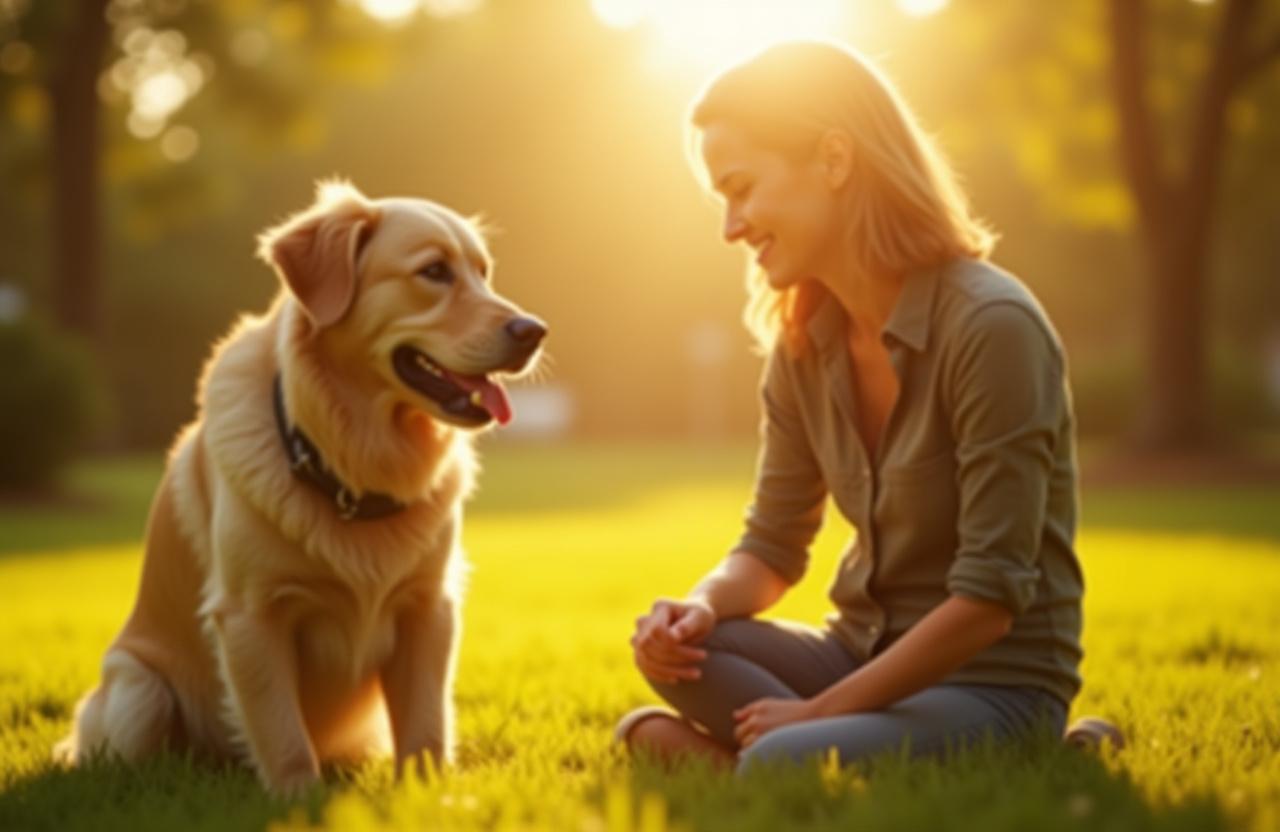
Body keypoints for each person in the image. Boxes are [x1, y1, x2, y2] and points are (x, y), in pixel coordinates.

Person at [618, 40, 1088, 774]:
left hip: (995, 682)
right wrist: (698, 608)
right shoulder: (803, 343)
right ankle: (789, 756)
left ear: (834, 161)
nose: (731, 227)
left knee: (782, 759)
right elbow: (771, 548)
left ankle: (768, 763)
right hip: (859, 654)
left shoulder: (993, 327)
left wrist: (819, 715)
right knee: (685, 657)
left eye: (741, 188)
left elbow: (991, 599)